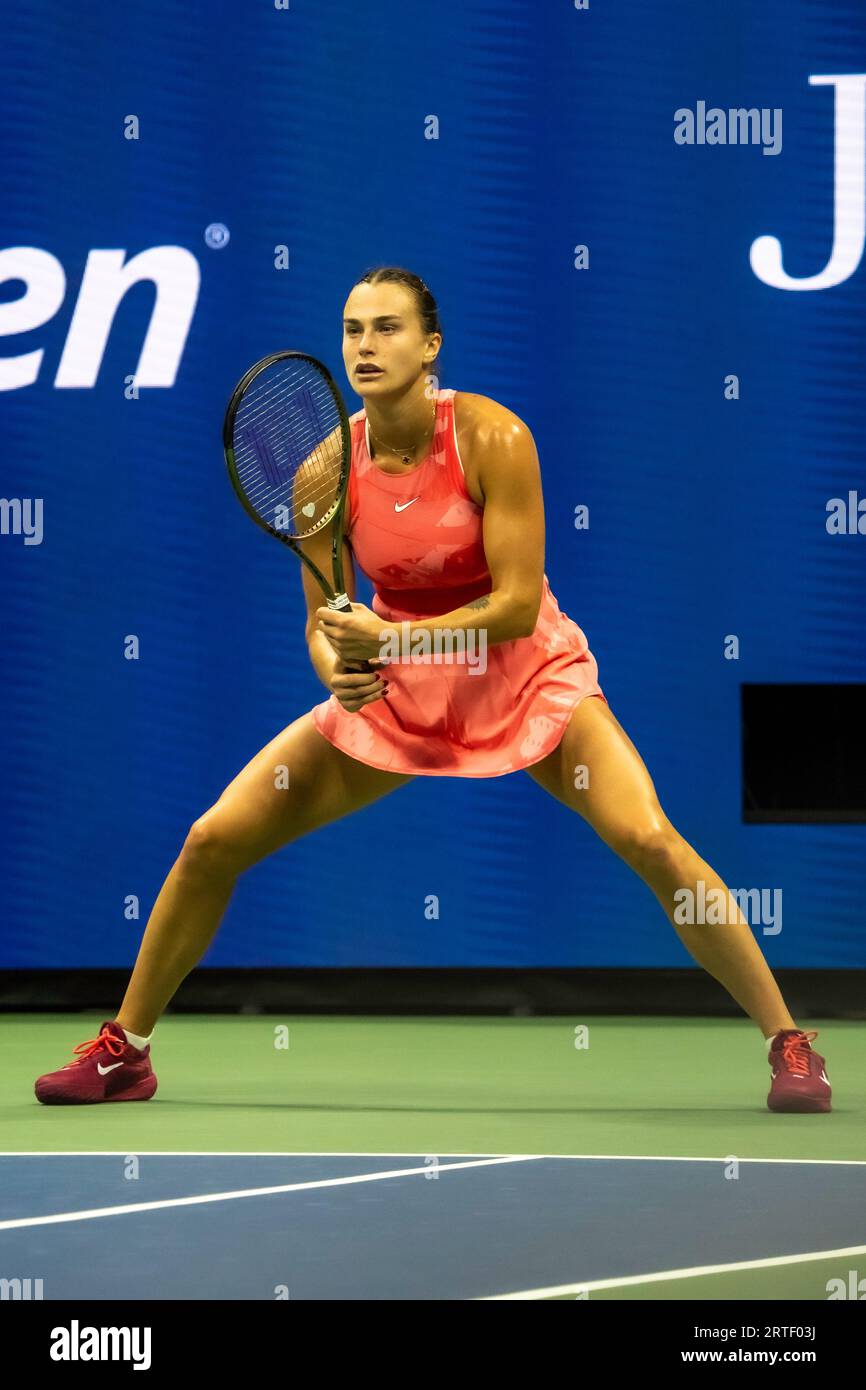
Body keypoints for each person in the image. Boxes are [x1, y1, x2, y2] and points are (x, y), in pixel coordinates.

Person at [34, 266, 831, 1114]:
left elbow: (515, 607)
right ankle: (127, 1052)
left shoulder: (494, 439)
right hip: (401, 694)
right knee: (212, 838)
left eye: (388, 328)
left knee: (649, 837)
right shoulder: (323, 472)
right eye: (353, 330)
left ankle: (789, 1042)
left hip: (525, 676)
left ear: (430, 346)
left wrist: (393, 640)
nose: (366, 346)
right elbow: (322, 620)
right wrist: (336, 670)